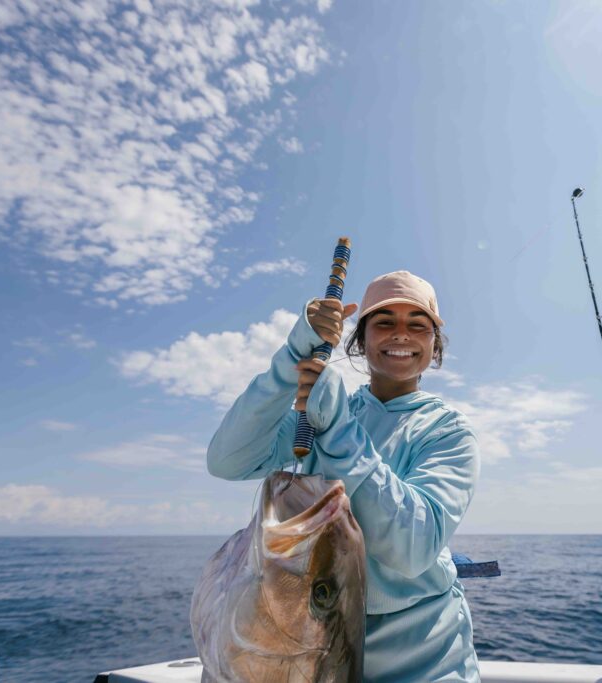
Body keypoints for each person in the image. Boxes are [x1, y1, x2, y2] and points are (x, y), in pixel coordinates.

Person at [206, 270, 482, 682]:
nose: (401, 335)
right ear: (361, 338)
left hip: (424, 660)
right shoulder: (322, 411)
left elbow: (412, 548)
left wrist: (338, 428)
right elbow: (228, 460)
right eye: (384, 322)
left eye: (418, 326)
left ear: (433, 344)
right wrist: (290, 359)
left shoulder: (448, 431)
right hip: (305, 642)